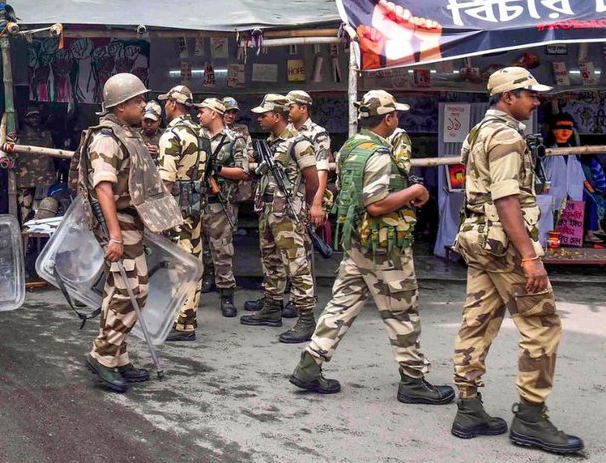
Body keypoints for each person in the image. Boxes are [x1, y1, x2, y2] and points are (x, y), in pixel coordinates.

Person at [289, 90, 454, 406]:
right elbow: (376, 204)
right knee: (402, 311)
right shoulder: (378, 153)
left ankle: (309, 366)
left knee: (341, 304)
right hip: (383, 246)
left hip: (358, 243)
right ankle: (414, 381)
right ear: (389, 118)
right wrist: (416, 190)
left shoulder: (351, 146)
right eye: (396, 115)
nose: (398, 120)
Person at [449, 67, 583, 454]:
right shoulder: (506, 135)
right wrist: (530, 256)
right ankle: (531, 418)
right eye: (530, 94)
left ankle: (469, 407)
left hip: (478, 239)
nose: (536, 100)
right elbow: (506, 198)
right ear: (508, 97)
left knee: (478, 320)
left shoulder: (479, 132)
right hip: (504, 243)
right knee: (542, 324)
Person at [76, 73, 182, 393]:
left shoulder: (127, 133)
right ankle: (103, 355)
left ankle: (118, 356)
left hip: (130, 221)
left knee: (118, 291)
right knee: (131, 292)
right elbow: (104, 189)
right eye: (137, 100)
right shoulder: (107, 137)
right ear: (121, 106)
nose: (143, 105)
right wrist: (115, 236)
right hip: (119, 223)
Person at [241, 94, 323, 344]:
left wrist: (307, 206)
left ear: (277, 116)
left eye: (263, 115)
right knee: (271, 260)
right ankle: (272, 306)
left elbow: (313, 180)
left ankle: (306, 317)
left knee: (296, 265)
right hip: (269, 211)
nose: (259, 119)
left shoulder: (299, 143)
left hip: (288, 212)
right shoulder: (271, 142)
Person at [156, 85, 207, 341]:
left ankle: (183, 323)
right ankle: (188, 316)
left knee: (180, 263)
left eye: (167, 102)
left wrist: (158, 217)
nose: (165, 106)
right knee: (194, 259)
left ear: (174, 103)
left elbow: (166, 182)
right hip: (197, 203)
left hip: (177, 205)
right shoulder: (202, 132)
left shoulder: (171, 135)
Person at [195, 98, 249, 321]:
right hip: (197, 202)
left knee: (222, 250)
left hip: (220, 202)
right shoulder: (197, 138)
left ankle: (226, 293)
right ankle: (194, 292)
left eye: (202, 112)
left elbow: (243, 172)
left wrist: (218, 169)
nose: (198, 116)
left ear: (214, 114)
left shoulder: (233, 140)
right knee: (197, 249)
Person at [15, 107, 56, 224]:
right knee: (25, 216)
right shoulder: (18, 135)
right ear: (25, 119)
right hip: (25, 180)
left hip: (45, 179)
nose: (34, 119)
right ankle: (26, 241)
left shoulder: (46, 134)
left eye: (36, 116)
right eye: (31, 116)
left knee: (43, 215)